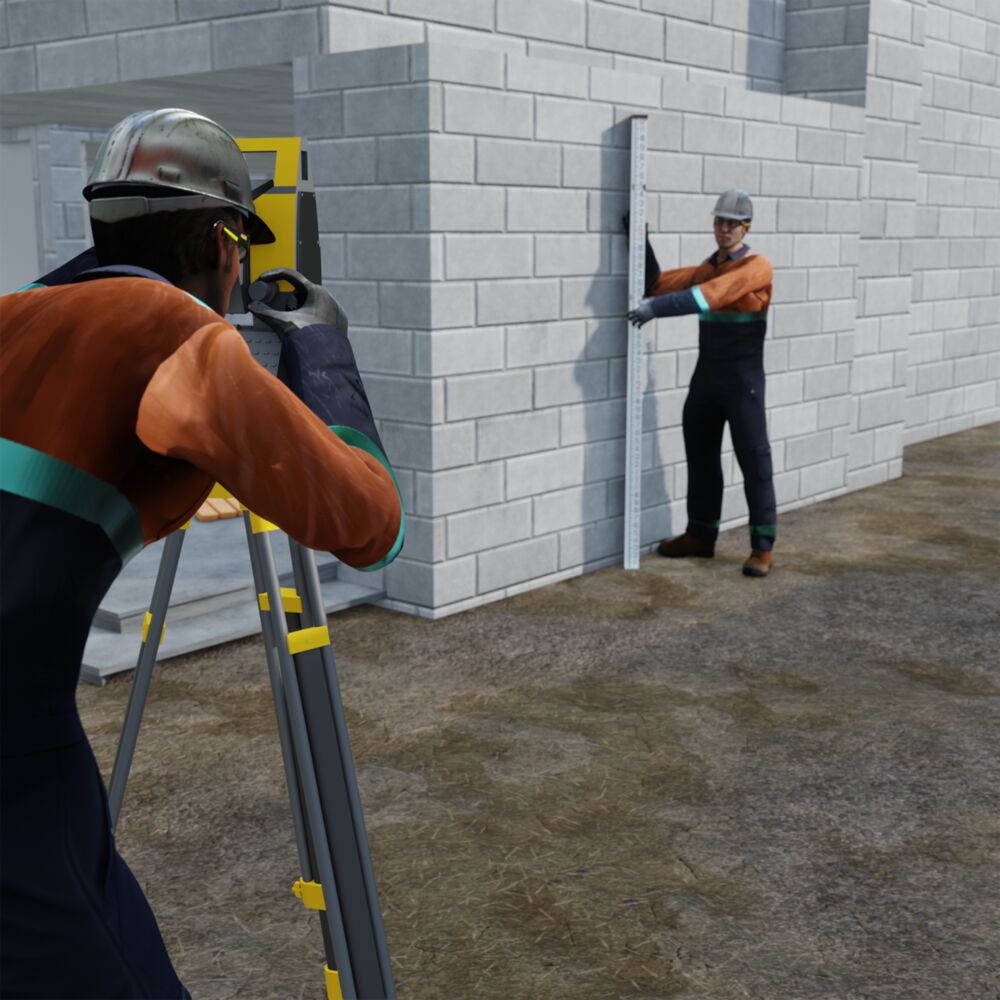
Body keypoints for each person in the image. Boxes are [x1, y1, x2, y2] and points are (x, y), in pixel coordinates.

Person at [0, 108, 404, 998]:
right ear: (227, 245)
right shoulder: (175, 333)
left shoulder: (17, 315)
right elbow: (370, 523)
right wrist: (323, 351)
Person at [628, 189, 776, 578]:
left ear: (746, 227)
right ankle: (701, 535)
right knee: (701, 454)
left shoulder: (757, 267)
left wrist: (655, 311)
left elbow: (709, 296)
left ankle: (762, 546)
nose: (723, 229)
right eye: (719, 221)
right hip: (707, 378)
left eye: (731, 223)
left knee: (753, 458)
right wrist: (639, 238)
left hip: (741, 381)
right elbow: (658, 284)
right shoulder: (708, 266)